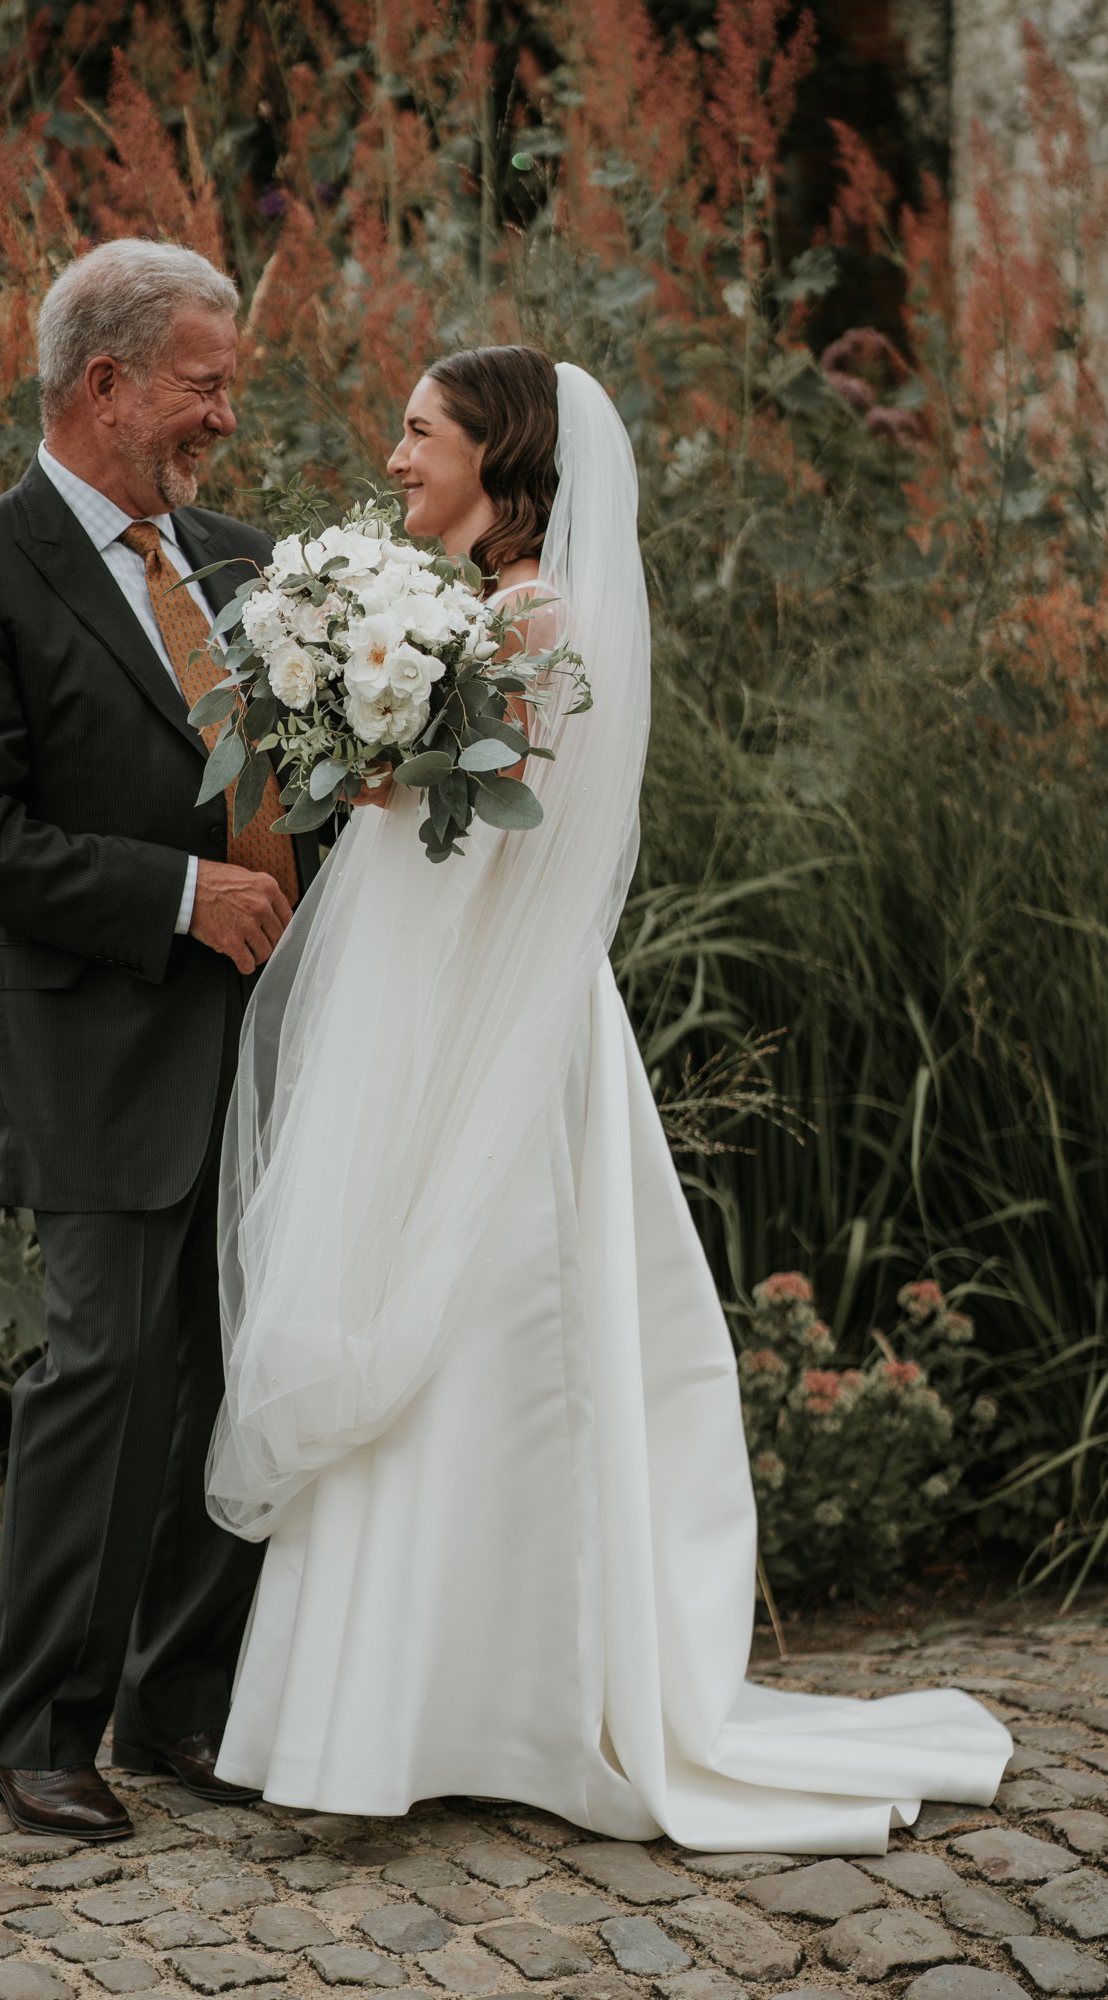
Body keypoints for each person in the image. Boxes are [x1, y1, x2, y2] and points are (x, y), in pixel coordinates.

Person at [202, 346, 1012, 1851]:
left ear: (496, 459)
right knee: (416, 1305)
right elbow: (419, 808)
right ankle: (383, 1700)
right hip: (423, 999)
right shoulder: (460, 613)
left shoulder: (532, 622)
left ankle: (486, 1698)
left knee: (485, 1317)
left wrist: (374, 740)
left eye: (417, 430)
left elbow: (505, 841)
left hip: (489, 1018)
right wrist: (344, 729)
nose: (392, 456)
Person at [0, 240, 324, 1842]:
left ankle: (180, 1705)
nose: (224, 410)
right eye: (203, 381)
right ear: (104, 383)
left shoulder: (250, 561)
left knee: (242, 1369)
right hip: (102, 1035)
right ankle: (40, 1730)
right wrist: (177, 896)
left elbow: (305, 771)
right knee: (113, 1371)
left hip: (282, 1034)